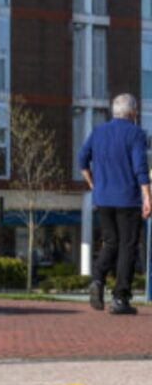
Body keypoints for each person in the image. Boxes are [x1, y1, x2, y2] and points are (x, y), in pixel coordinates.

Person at [79, 93, 152, 315]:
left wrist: (93, 183)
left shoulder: (98, 132)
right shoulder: (135, 134)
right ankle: (120, 298)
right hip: (127, 199)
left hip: (103, 199)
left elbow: (82, 158)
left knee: (111, 242)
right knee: (128, 246)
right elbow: (140, 167)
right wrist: (147, 197)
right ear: (132, 113)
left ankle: (98, 278)